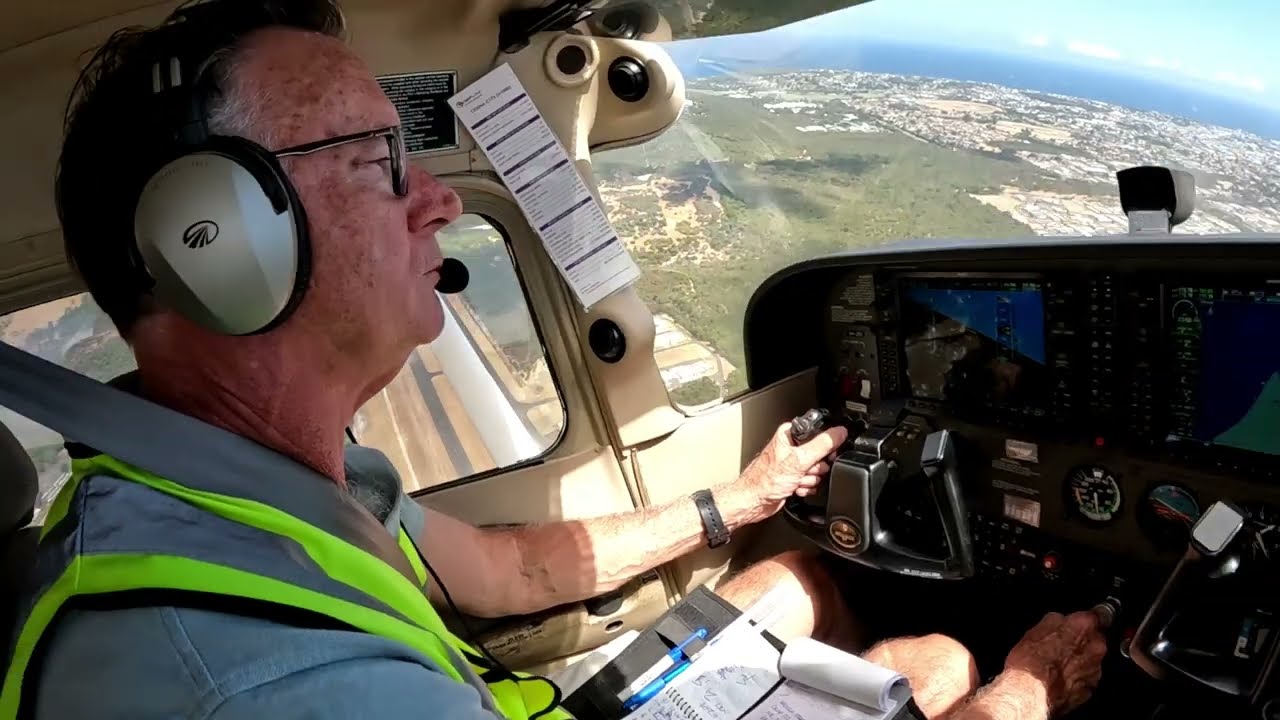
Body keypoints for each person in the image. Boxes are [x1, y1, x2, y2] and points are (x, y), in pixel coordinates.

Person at [0, 1, 1107, 719]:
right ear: (220, 242)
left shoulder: (261, 487)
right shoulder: (271, 687)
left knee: (799, 577)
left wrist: (739, 496)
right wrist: (1023, 691)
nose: (435, 198)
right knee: (940, 668)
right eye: (381, 160)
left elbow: (515, 572)